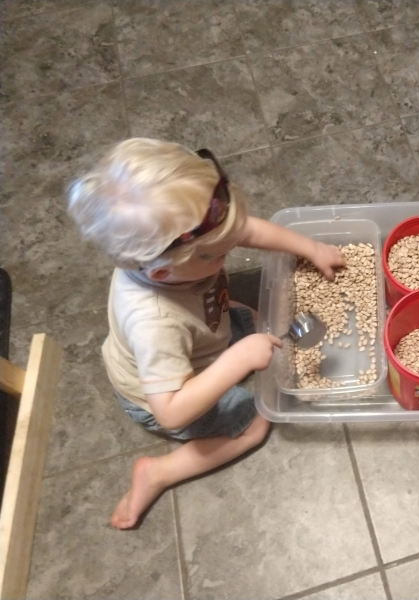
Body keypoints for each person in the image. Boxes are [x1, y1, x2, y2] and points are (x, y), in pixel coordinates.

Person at [67, 138, 344, 529]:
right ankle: (159, 473)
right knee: (254, 423)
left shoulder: (171, 252)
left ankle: (233, 350)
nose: (233, 249)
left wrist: (310, 247)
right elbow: (170, 409)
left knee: (254, 319)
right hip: (163, 393)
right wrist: (237, 361)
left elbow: (242, 230)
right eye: (222, 252)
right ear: (163, 274)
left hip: (205, 334)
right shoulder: (154, 322)